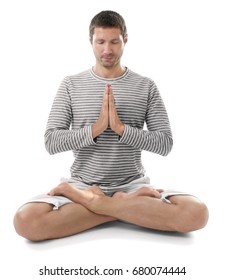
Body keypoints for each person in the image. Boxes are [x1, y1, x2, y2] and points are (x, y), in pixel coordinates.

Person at [13, 10, 208, 241]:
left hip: (132, 185)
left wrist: (121, 129)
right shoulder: (71, 84)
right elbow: (51, 142)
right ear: (90, 42)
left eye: (114, 42)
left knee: (197, 213)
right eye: (101, 42)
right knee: (25, 221)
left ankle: (98, 203)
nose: (107, 50)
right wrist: (95, 129)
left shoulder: (145, 86)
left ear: (125, 40)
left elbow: (165, 143)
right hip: (81, 185)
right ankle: (127, 208)